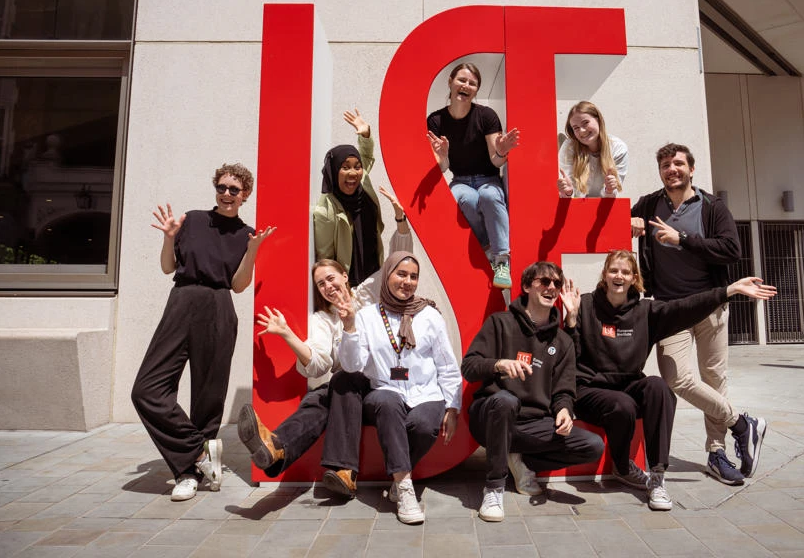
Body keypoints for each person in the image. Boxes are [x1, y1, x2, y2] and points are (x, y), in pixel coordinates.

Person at [561, 250, 776, 511]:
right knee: (623, 404)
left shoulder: (646, 311)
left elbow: (685, 307)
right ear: (605, 275)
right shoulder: (584, 305)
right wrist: (570, 321)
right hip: (590, 391)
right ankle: (622, 466)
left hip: (626, 386)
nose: (619, 276)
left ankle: (658, 478)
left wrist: (727, 291)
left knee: (659, 387)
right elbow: (568, 356)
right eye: (613, 271)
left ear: (634, 278)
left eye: (625, 272)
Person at [236, 188, 411, 490]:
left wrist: (399, 217)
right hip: (352, 389)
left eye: (331, 278)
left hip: (388, 379)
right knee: (318, 397)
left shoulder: (368, 293)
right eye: (321, 284)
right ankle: (282, 449)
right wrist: (288, 334)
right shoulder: (323, 319)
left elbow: (398, 260)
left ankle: (302, 456)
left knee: (335, 386)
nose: (328, 286)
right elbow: (317, 364)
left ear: (344, 276)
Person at [131, 163, 275, 502]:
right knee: (146, 389)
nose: (226, 194)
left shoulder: (246, 234)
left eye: (234, 190)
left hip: (219, 306)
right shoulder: (193, 220)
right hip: (182, 299)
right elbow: (168, 267)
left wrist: (253, 249)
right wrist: (169, 239)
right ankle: (199, 454)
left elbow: (239, 286)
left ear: (245, 195)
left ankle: (188, 474)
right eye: (221, 187)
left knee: (209, 395)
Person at [631, 143, 767, 486]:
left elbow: (731, 250)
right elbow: (616, 219)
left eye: (678, 163)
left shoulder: (712, 207)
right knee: (678, 379)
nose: (671, 169)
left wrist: (684, 239)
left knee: (714, 379)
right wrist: (628, 220)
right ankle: (742, 423)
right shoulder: (649, 205)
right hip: (669, 308)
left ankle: (717, 452)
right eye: (665, 164)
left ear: (691, 169)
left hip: (710, 304)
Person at [461, 261, 605, 522]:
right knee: (505, 400)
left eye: (556, 284)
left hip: (533, 424)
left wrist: (564, 409)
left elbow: (564, 388)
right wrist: (498, 364)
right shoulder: (500, 323)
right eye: (544, 281)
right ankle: (494, 488)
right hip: (490, 417)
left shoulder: (561, 341)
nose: (551, 287)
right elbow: (469, 367)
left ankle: (522, 460)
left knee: (592, 446)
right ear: (527, 286)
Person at [334, 251, 462, 524]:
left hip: (426, 392)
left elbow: (447, 365)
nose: (408, 281)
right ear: (387, 275)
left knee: (424, 426)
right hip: (385, 390)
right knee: (388, 404)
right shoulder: (367, 316)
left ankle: (395, 481)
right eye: (401, 274)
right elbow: (352, 364)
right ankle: (405, 489)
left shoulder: (430, 315)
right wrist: (349, 327)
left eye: (413, 276)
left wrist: (453, 406)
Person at [427, 62, 520, 289]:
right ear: (450, 82)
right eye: (462, 80)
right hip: (460, 180)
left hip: (489, 178)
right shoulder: (436, 121)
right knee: (462, 198)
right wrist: (442, 155)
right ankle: (487, 244)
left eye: (472, 83)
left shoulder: (486, 116)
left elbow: (495, 160)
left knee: (489, 197)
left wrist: (502, 151)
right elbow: (442, 168)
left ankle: (501, 260)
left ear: (476, 90)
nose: (466, 85)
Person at [313, 109, 384, 286]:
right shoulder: (325, 211)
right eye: (345, 167)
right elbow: (326, 260)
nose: (353, 173)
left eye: (357, 166)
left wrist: (366, 134)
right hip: (350, 286)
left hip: (376, 276)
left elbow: (366, 156)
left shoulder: (363, 181)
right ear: (333, 171)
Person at [557, 101, 629, 198]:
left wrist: (610, 190)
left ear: (598, 120)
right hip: (575, 208)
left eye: (585, 123)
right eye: (576, 128)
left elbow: (612, 196)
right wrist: (568, 192)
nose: (582, 131)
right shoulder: (569, 147)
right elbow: (567, 195)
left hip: (603, 209)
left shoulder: (618, 148)